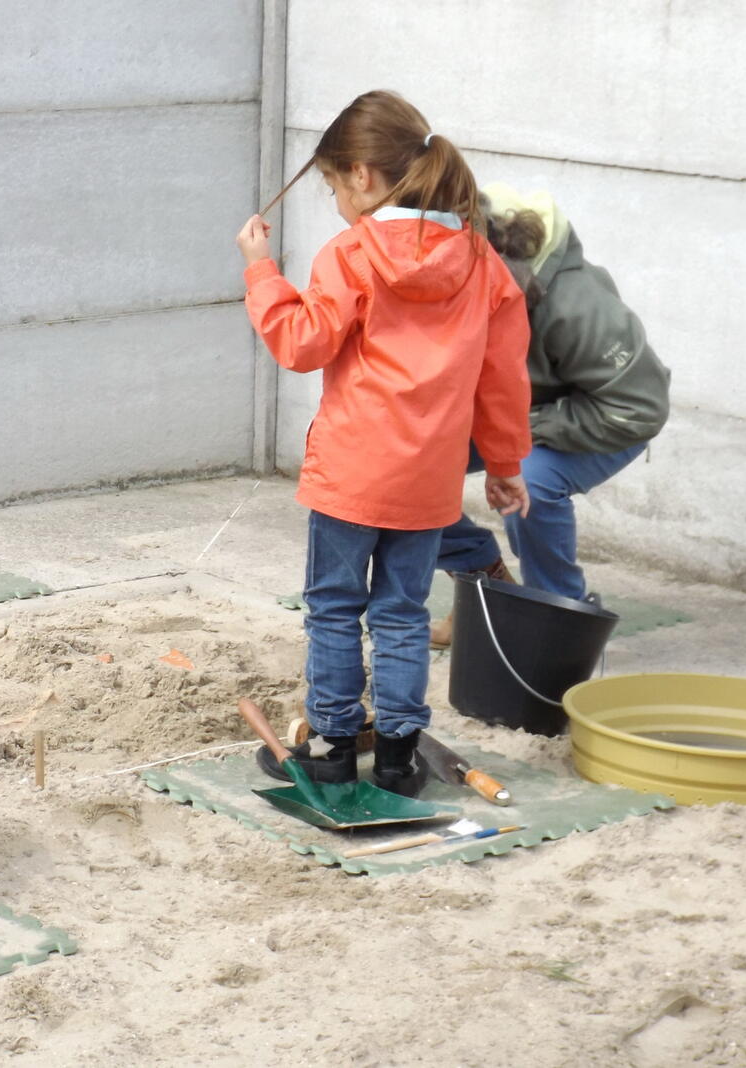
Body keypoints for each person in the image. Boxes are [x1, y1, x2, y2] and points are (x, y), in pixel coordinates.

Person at [235, 90, 531, 795]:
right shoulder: (481, 262)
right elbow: (502, 378)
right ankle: (398, 756)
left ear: (362, 175)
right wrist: (504, 464)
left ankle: (334, 746)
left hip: (351, 474)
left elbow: (301, 344)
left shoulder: (351, 255)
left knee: (335, 609)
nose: (338, 199)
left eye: (334, 184)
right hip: (428, 481)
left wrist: (260, 269)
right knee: (402, 615)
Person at [430, 184, 672, 645]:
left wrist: (515, 436)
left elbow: (640, 407)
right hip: (509, 407)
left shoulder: (575, 303)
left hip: (604, 416)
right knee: (399, 464)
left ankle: (558, 624)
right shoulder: (440, 269)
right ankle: (484, 591)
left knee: (530, 485)